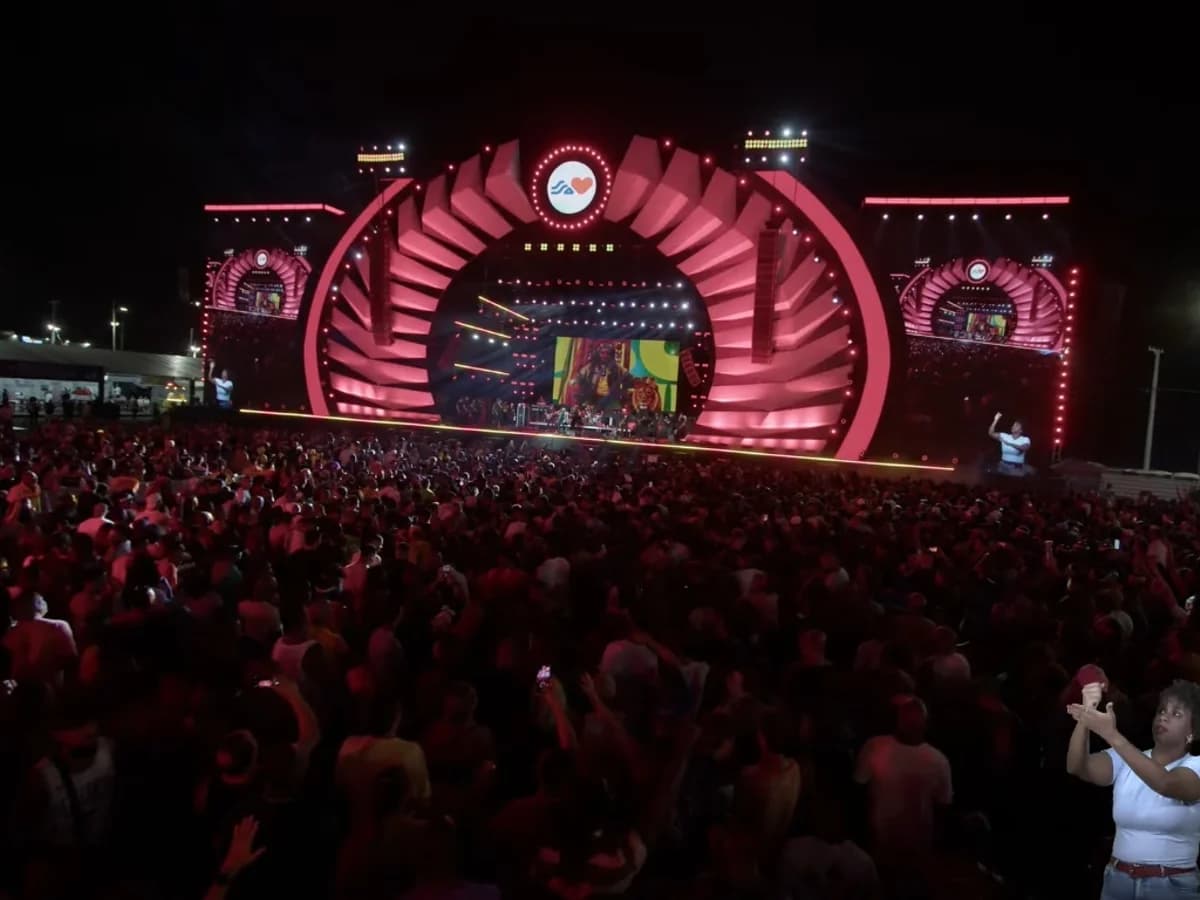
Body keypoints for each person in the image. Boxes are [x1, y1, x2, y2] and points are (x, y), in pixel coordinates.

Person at [1067, 679, 1200, 899]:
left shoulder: (1196, 766)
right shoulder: (1126, 758)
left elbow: (1166, 784)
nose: (1164, 716)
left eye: (1177, 714)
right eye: (1162, 710)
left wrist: (1111, 734)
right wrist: (1086, 717)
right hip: (1117, 881)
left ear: (1192, 732)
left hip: (1171, 886)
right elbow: (1076, 766)